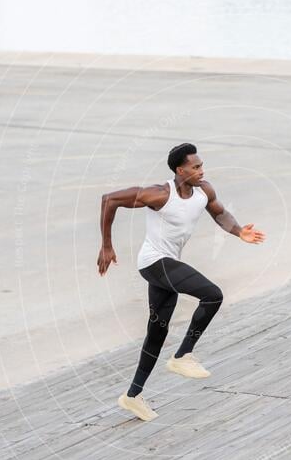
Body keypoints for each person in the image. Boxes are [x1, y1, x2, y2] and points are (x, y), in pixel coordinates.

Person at [97, 143, 266, 421]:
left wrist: (238, 232)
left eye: (201, 166)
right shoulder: (160, 194)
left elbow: (219, 213)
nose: (201, 171)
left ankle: (132, 396)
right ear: (180, 170)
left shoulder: (204, 191)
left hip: (167, 267)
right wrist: (106, 246)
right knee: (212, 294)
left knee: (157, 333)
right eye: (195, 167)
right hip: (154, 263)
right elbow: (109, 200)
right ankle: (182, 356)